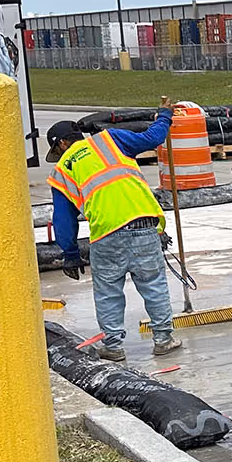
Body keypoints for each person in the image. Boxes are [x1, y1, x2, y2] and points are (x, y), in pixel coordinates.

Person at [45, 106, 183, 362]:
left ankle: (113, 345)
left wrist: (70, 254)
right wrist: (164, 117)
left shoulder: (62, 170)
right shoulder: (110, 140)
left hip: (106, 234)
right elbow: (152, 139)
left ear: (62, 143)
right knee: (153, 284)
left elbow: (63, 219)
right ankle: (164, 339)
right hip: (143, 224)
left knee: (108, 291)